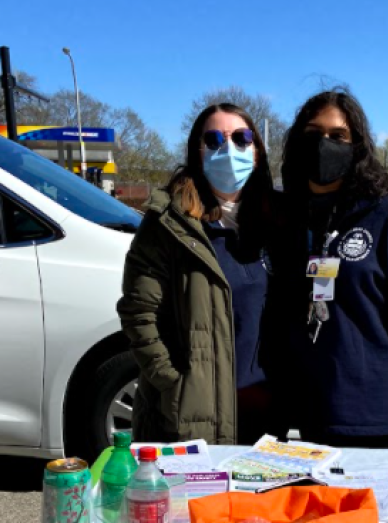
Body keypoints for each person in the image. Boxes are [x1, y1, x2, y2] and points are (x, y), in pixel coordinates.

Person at [272, 90, 388, 450]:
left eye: (338, 136)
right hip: (305, 407)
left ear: (357, 145)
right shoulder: (288, 214)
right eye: (313, 134)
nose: (324, 144)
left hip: (369, 412)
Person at [118, 104, 275, 445]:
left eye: (241, 138)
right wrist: (174, 383)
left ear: (258, 152)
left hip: (266, 413)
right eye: (214, 139)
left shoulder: (276, 223)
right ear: (198, 152)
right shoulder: (168, 224)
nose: (229, 148)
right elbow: (139, 312)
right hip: (194, 414)